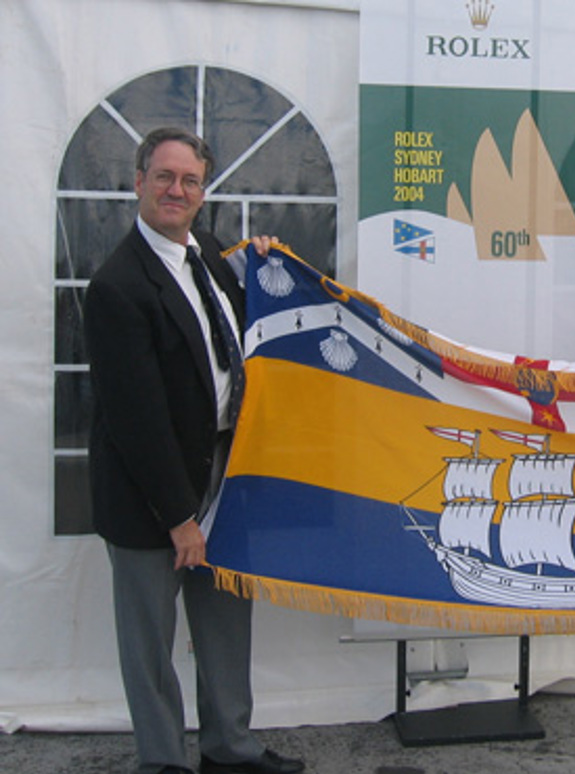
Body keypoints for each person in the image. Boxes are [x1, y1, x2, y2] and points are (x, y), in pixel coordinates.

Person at [84, 126, 305, 774]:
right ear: (138, 182)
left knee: (225, 620)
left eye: (189, 180)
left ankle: (229, 749)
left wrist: (255, 261)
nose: (175, 190)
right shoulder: (117, 287)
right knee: (149, 642)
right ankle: (163, 762)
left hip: (221, 473)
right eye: (164, 177)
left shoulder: (206, 251)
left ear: (202, 192)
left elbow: (228, 320)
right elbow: (136, 422)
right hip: (149, 492)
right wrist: (180, 518)